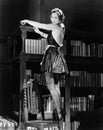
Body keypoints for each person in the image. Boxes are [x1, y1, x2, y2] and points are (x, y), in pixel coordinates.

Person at [20, 8, 68, 121]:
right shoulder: (62, 28)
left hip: (51, 56)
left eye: (55, 17)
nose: (52, 19)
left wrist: (27, 20)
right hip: (58, 56)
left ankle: (60, 113)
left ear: (60, 18)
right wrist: (40, 33)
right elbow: (52, 38)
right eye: (52, 17)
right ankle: (60, 112)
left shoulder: (55, 26)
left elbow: (41, 24)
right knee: (56, 86)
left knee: (50, 86)